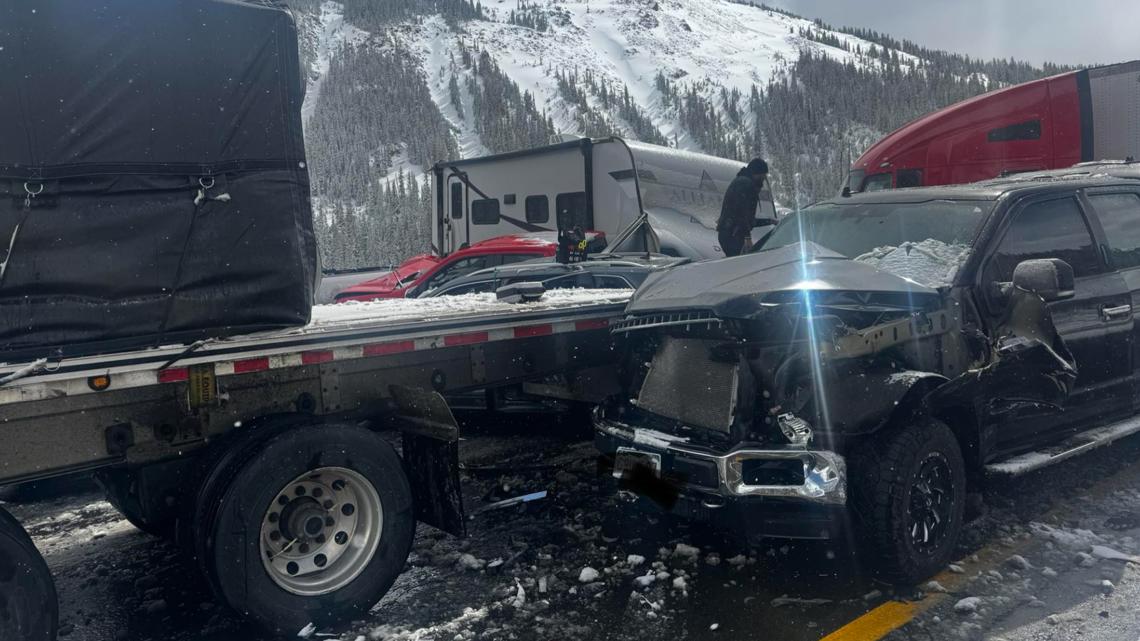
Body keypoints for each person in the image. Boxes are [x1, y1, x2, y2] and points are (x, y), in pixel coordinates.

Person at [716, 158, 774, 257]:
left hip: (729, 233)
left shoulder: (742, 182)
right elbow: (741, 214)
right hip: (733, 235)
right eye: (763, 175)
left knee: (736, 264)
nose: (764, 179)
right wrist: (747, 238)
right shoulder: (746, 185)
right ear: (757, 172)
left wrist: (769, 221)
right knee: (741, 265)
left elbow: (747, 219)